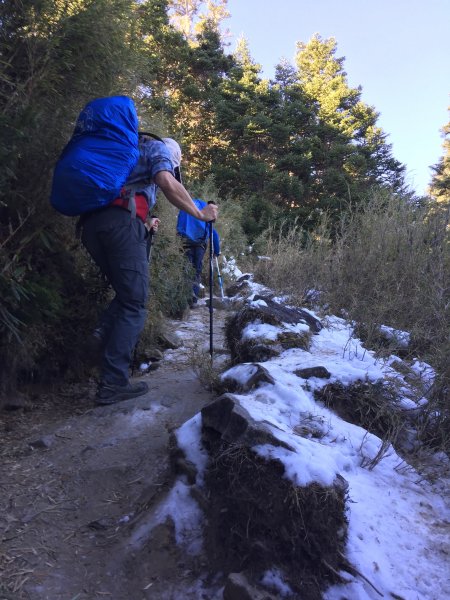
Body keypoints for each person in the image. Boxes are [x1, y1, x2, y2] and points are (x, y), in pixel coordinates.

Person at [80, 136, 218, 405]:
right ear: (173, 156)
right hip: (120, 226)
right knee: (135, 303)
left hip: (92, 226)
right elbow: (167, 182)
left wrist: (145, 220)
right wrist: (201, 214)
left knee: (127, 293)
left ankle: (100, 334)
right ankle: (113, 383)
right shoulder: (158, 149)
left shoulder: (127, 153)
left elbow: (124, 196)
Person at [176, 198, 220, 305]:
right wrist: (216, 251)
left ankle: (185, 297)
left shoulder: (187, 208)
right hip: (200, 245)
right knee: (196, 271)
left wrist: (178, 241)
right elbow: (214, 234)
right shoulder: (206, 210)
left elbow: (179, 226)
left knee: (186, 269)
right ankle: (193, 299)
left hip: (185, 242)